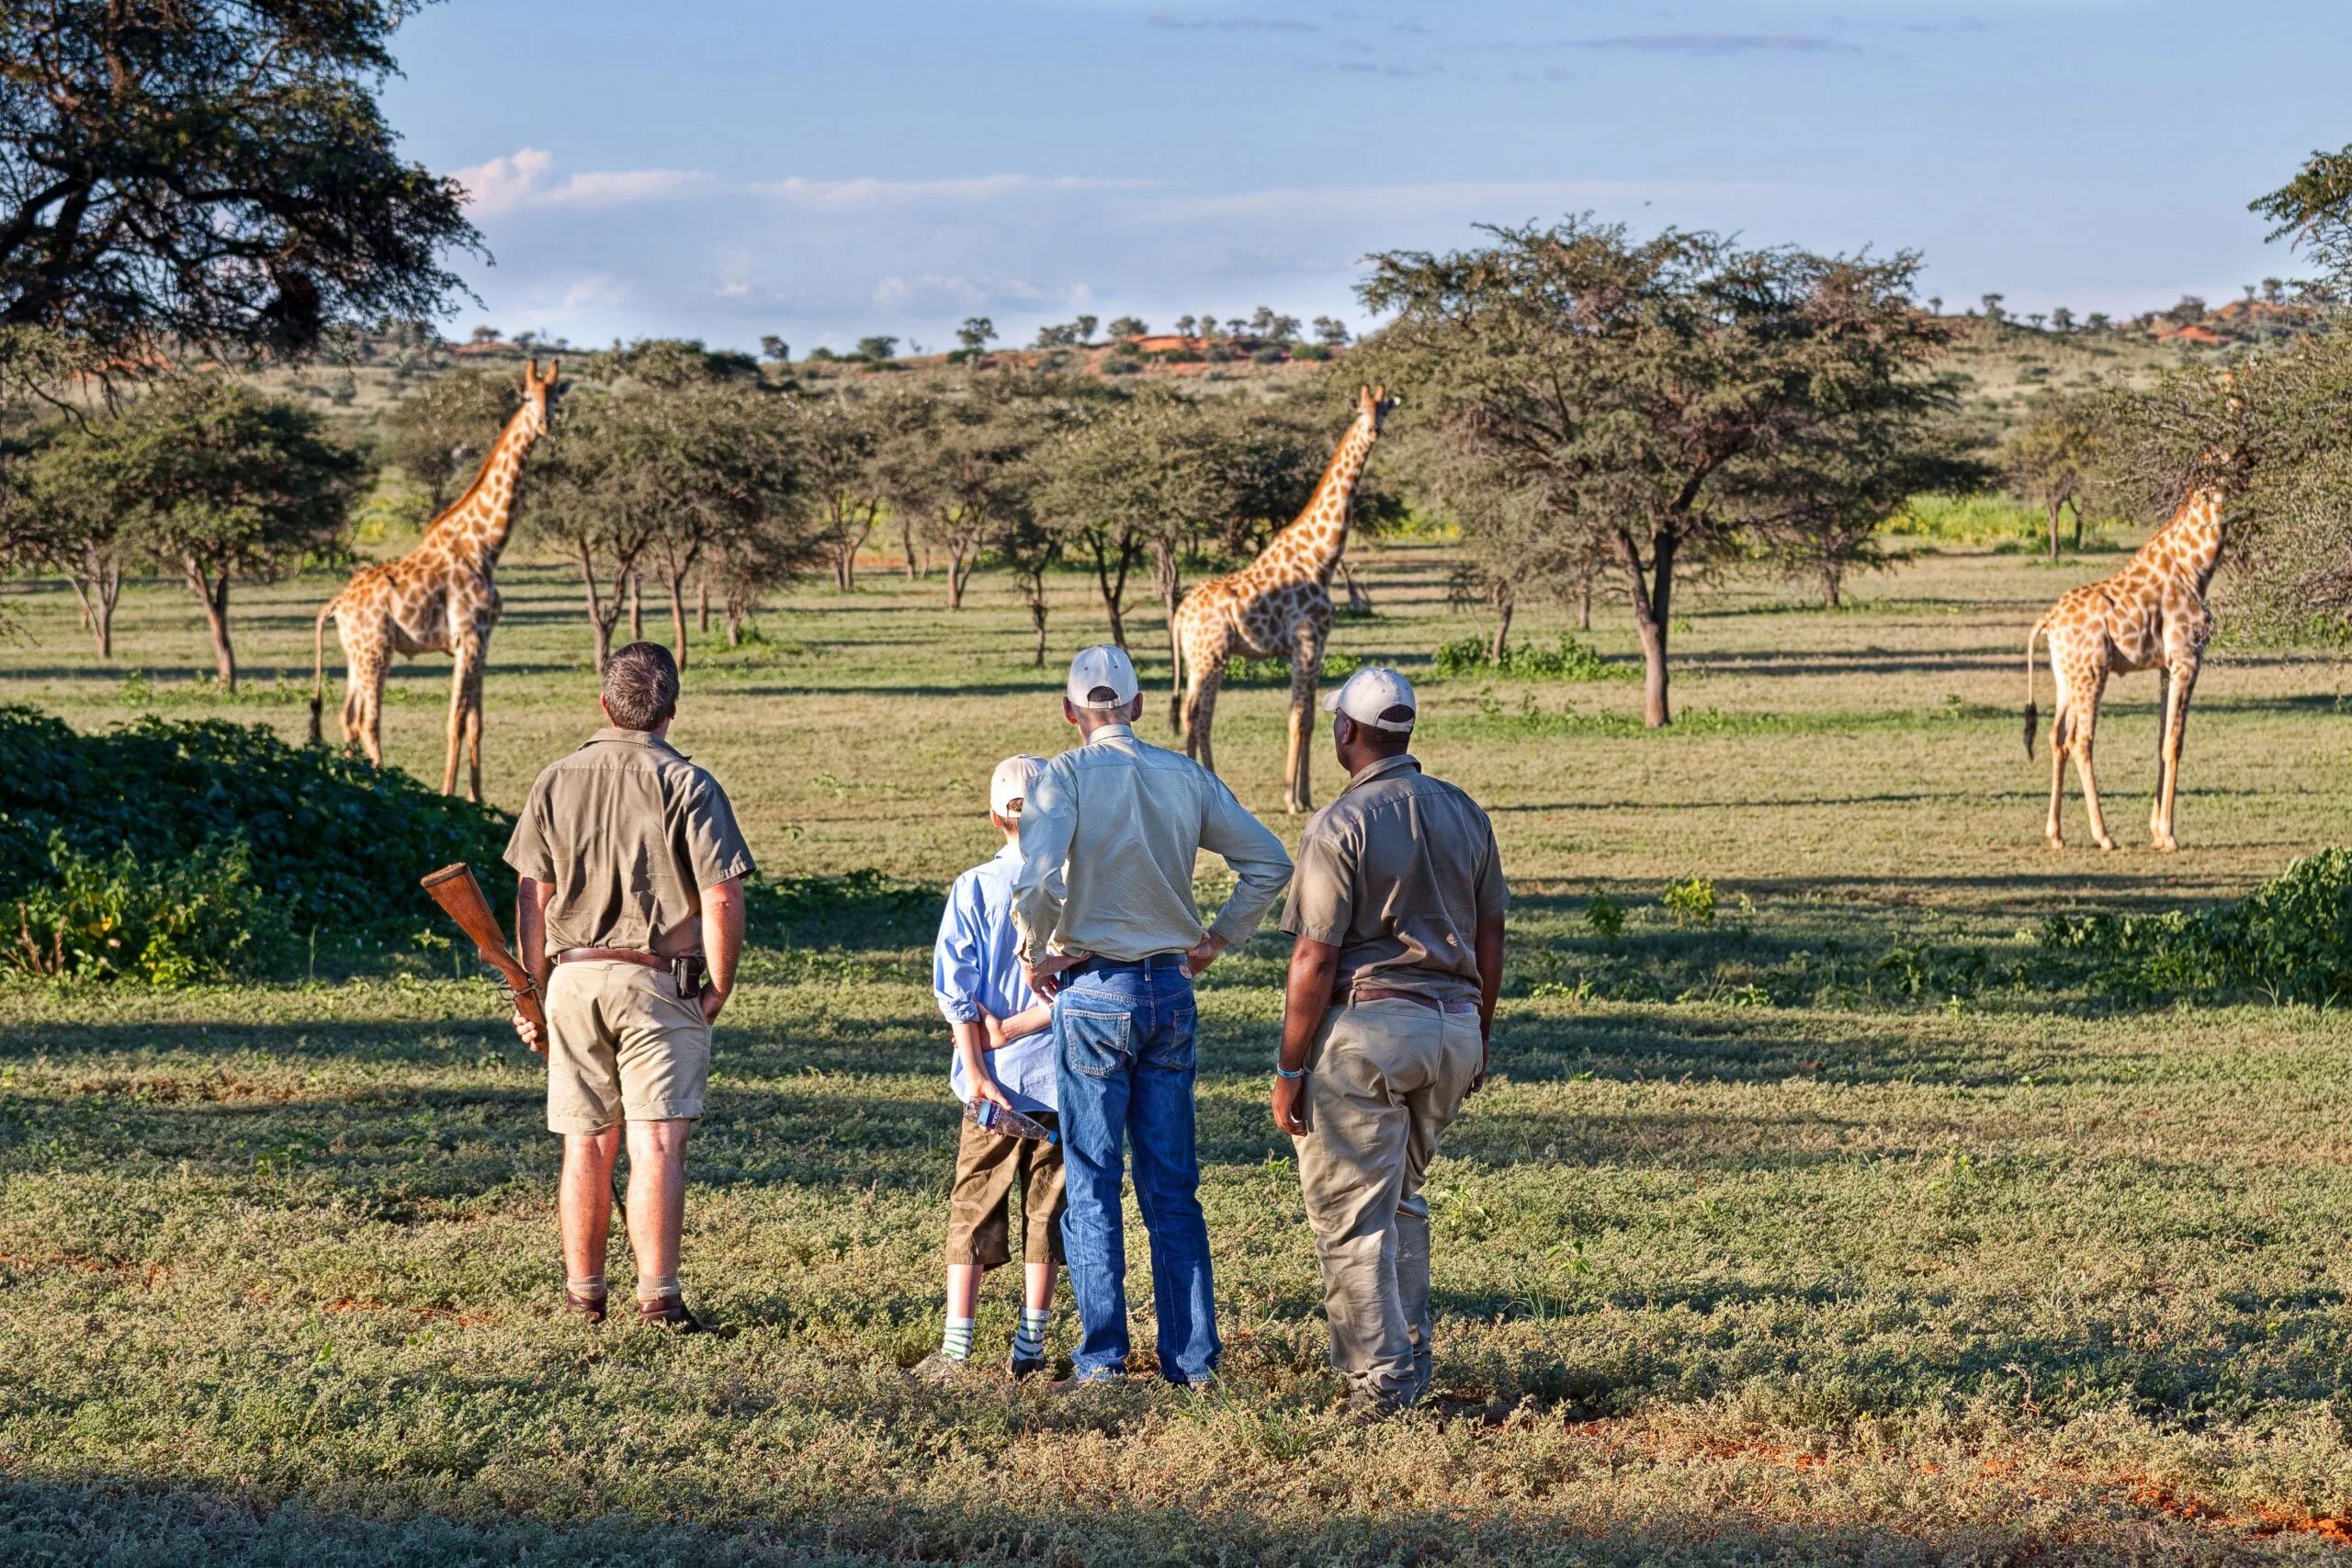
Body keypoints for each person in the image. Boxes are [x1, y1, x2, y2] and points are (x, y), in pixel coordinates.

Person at [1012, 645, 1293, 1386]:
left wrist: (1034, 953)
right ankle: (1192, 1362)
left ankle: (1102, 1358)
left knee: (1094, 1179)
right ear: (1138, 706)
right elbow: (1269, 863)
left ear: (1071, 712)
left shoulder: (1061, 777)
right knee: (1172, 1187)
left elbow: (1038, 881)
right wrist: (1216, 939)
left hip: (1094, 990)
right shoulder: (1183, 773)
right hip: (1170, 989)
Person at [1270, 666, 1506, 1415]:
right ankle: (1410, 1362)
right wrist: (1480, 1033)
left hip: (1371, 1029)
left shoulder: (1340, 824)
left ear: (1345, 731)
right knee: (1400, 1200)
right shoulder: (1465, 811)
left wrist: (1288, 1065)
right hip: (1453, 1032)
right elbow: (1491, 931)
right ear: (1405, 730)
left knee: (1350, 1213)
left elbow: (1313, 956)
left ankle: (1380, 1384)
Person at [505, 641, 753, 1331]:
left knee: (584, 1144)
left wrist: (534, 990)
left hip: (572, 978)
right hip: (659, 980)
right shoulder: (690, 784)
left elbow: (532, 897)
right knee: (656, 1143)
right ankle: (659, 1300)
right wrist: (718, 989)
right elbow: (723, 899)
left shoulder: (554, 779)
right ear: (670, 708)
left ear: (604, 704)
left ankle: (584, 1297)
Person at [917, 753, 1063, 1381]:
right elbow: (1076, 991)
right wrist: (1023, 1023)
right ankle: (1029, 1348)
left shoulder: (973, 887)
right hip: (1063, 1079)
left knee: (973, 1203)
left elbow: (958, 993)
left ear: (992, 817)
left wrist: (979, 1062)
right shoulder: (1073, 886)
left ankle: (956, 1348)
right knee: (1047, 1209)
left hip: (992, 1084)